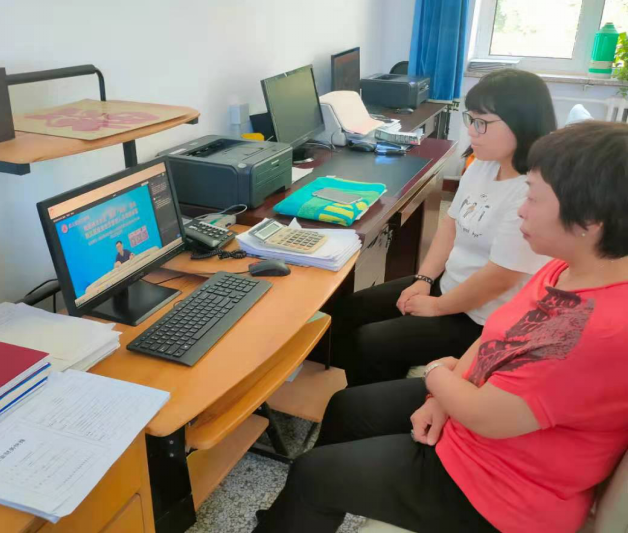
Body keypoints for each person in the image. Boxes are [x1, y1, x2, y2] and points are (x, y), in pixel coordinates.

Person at [254, 121, 629, 533]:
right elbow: (497, 333)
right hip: (481, 425)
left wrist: (436, 374)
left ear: (589, 220)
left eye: (534, 197)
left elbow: (486, 416)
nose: (522, 208)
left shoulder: (598, 330)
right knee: (348, 408)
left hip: (500, 491)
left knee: (313, 474)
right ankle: (310, 511)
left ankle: (316, 497)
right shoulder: (571, 268)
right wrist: (442, 397)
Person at [331, 69, 556, 387]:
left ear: (522, 123)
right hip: (449, 285)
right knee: (351, 309)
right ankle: (370, 388)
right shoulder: (482, 165)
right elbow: (450, 224)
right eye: (470, 119)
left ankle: (376, 402)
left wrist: (437, 306)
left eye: (482, 123)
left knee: (372, 342)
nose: (472, 131)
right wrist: (424, 280)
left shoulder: (531, 191)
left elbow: (499, 278)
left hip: (482, 318)